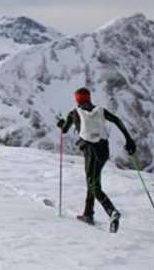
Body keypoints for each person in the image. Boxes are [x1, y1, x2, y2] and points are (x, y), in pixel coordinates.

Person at [56, 87, 137, 232]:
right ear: (89, 97)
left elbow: (64, 129)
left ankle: (112, 212)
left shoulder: (74, 113)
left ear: (77, 99)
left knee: (93, 184)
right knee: (93, 180)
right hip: (104, 150)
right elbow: (117, 120)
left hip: (90, 150)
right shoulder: (100, 110)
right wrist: (129, 139)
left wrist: (61, 124)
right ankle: (88, 213)